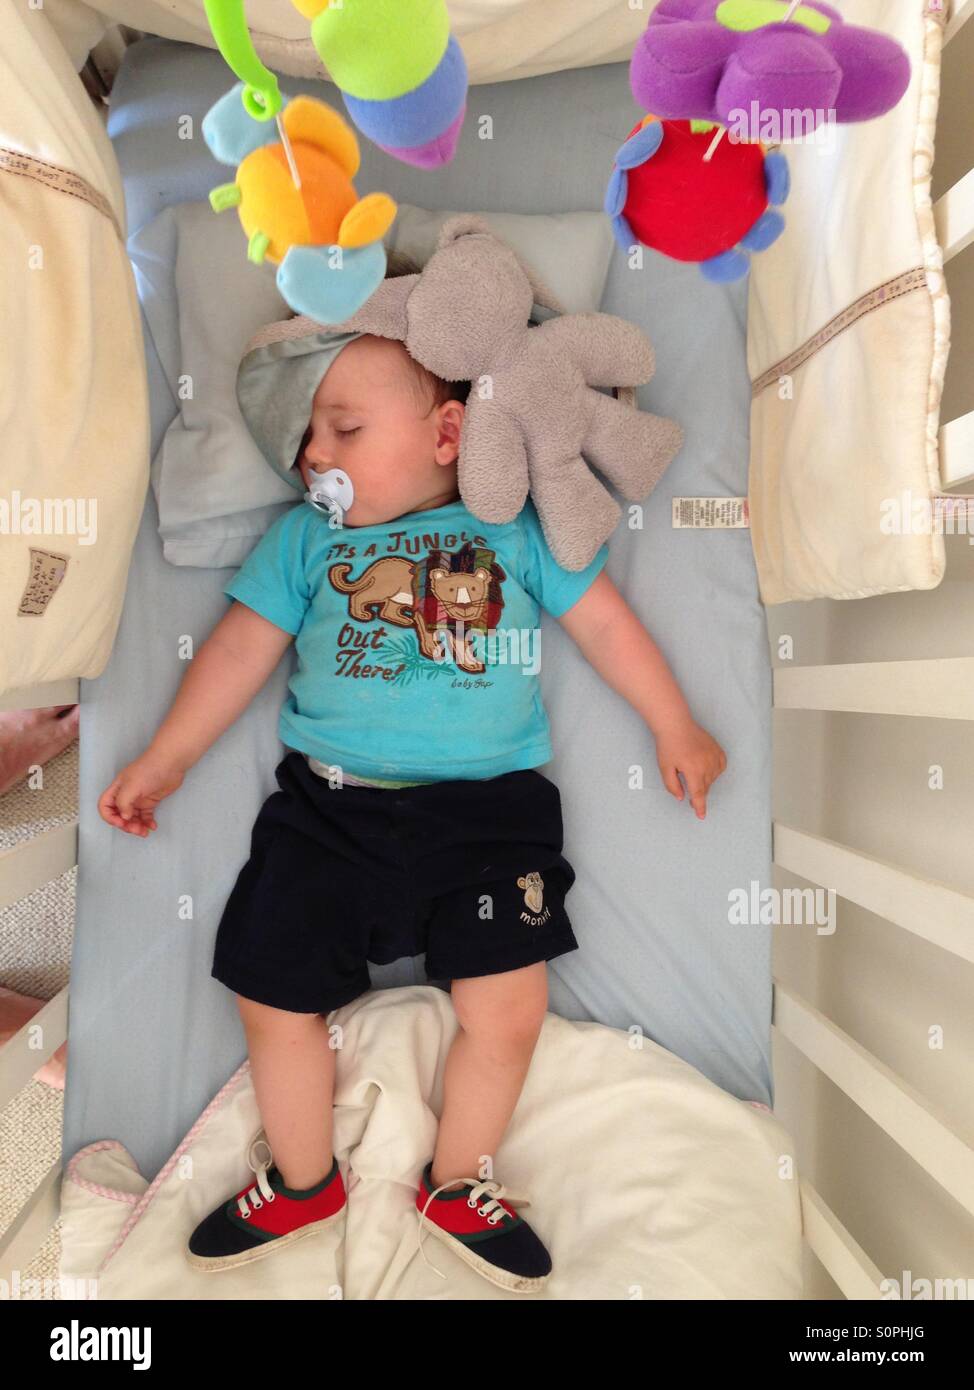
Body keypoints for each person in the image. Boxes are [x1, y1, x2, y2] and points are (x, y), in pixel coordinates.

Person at [98, 330, 726, 1293]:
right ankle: (304, 1182)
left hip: (489, 818)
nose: (316, 454)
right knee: (268, 991)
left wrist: (674, 722)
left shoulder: (513, 527)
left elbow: (605, 623)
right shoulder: (307, 541)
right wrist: (165, 759)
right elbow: (237, 652)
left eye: (345, 429)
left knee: (509, 1011)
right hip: (329, 813)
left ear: (446, 433)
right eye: (309, 438)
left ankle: (457, 1181)